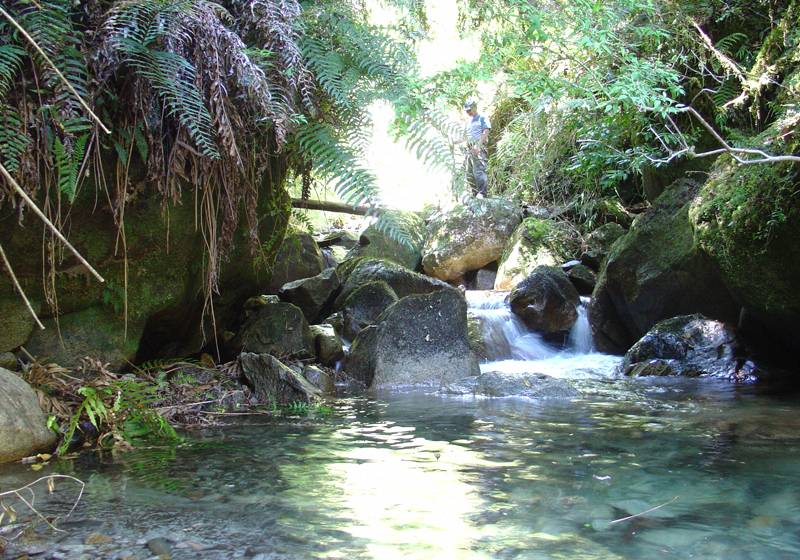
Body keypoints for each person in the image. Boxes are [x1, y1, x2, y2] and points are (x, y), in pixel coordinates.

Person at [463, 98, 491, 197]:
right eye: (466, 110)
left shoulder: (482, 118)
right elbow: (466, 136)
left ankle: (482, 193)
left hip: (479, 148)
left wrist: (478, 146)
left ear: (475, 107)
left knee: (479, 171)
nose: (468, 112)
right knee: (469, 173)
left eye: (469, 110)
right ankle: (475, 193)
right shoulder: (468, 121)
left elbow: (486, 131)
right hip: (469, 150)